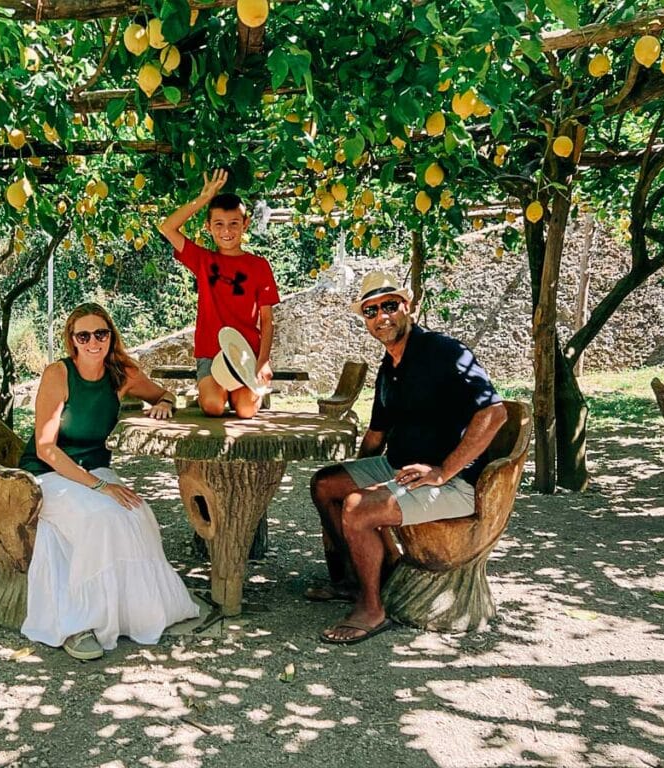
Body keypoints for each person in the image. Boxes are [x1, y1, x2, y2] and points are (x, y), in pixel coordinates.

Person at [309, 271, 507, 645]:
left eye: (389, 306)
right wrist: (355, 471)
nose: (381, 316)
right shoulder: (389, 368)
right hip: (400, 467)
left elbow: (495, 414)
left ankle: (372, 608)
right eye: (371, 311)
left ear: (407, 307)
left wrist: (444, 471)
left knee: (358, 508)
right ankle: (352, 580)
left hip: (454, 482)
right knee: (325, 484)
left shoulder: (444, 352)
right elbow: (376, 436)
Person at [19, 302, 199, 660]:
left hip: (95, 468)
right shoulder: (58, 374)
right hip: (49, 474)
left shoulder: (122, 372)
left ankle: (132, 616)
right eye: (83, 335)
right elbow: (45, 448)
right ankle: (80, 622)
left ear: (111, 336)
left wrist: (163, 403)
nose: (93, 342)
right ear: (72, 341)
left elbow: (164, 393)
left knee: (136, 513)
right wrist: (100, 487)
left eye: (100, 333)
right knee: (101, 516)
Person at [158, 169, 280, 418]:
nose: (227, 231)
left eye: (234, 223)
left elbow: (267, 320)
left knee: (246, 411)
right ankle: (214, 391)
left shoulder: (259, 266)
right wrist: (204, 198)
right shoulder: (202, 260)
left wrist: (263, 360)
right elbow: (167, 227)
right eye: (219, 224)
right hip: (210, 352)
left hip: (247, 354)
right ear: (208, 227)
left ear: (245, 224)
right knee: (213, 407)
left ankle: (248, 394)